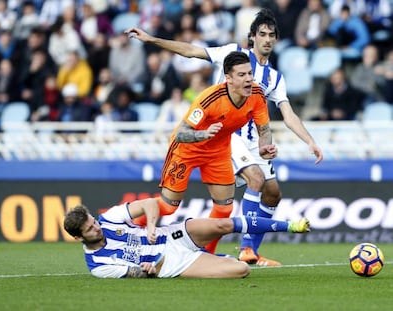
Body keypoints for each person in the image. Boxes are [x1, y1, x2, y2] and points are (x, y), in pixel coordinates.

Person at [125, 8, 323, 266]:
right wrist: (152, 40)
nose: (266, 39)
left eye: (271, 35)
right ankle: (246, 249)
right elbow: (190, 50)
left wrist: (309, 140)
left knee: (272, 193)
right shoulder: (231, 55)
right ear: (252, 37)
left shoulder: (274, 78)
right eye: (261, 34)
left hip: (252, 142)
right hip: (225, 135)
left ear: (276, 39)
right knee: (256, 178)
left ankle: (236, 250)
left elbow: (287, 114)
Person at [131, 51, 277, 255]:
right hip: (186, 150)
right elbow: (181, 133)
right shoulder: (210, 98)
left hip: (218, 152)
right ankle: (127, 227)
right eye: (242, 75)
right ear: (228, 78)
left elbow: (264, 130)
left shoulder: (256, 94)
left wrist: (264, 147)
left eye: (250, 74)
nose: (248, 79)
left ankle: (205, 254)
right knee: (168, 207)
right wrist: (204, 134)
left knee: (225, 209)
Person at [63, 197, 310, 279]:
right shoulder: (99, 267)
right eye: (90, 229)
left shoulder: (110, 219)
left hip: (172, 236)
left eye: (93, 221)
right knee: (241, 269)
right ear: (78, 238)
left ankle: (290, 225)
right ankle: (213, 259)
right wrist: (147, 269)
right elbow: (136, 273)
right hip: (170, 263)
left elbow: (149, 203)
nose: (97, 227)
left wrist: (150, 225)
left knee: (223, 223)